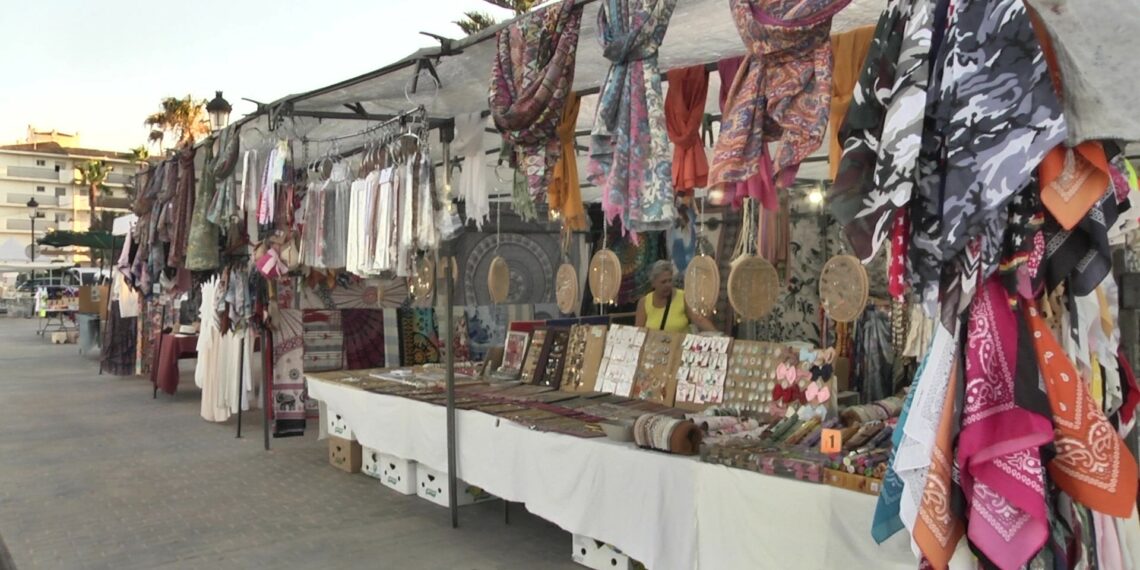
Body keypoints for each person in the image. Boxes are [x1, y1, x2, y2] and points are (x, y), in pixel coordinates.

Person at [635, 260, 718, 333]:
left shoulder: (683, 296)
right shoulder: (644, 302)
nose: (668, 285)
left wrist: (718, 335)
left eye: (670, 280)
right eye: (663, 282)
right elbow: (639, 332)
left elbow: (698, 320)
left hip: (679, 346)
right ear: (653, 283)